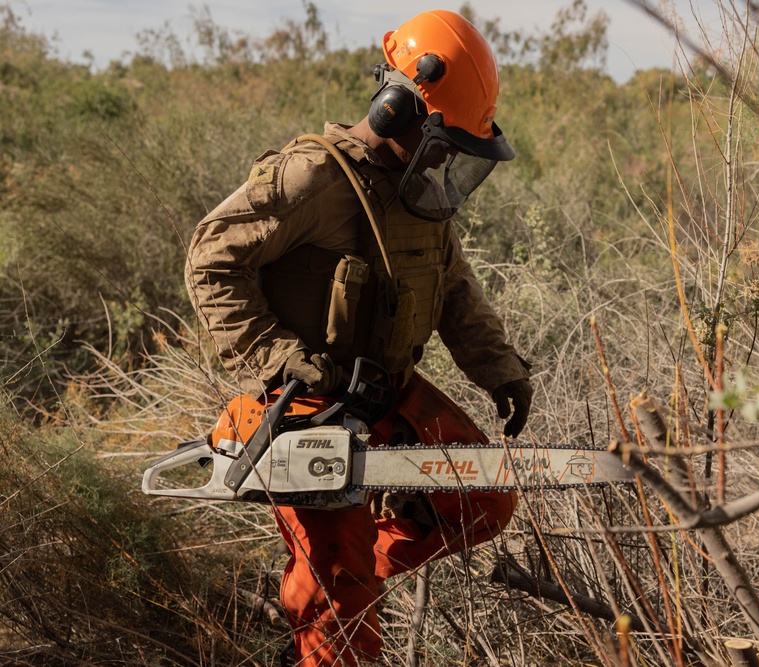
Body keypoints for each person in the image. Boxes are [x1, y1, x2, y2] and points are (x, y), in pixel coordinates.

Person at [184, 9, 533, 666]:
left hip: (385, 389)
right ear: (400, 109)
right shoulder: (313, 178)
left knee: (485, 496)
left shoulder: (417, 195)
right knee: (342, 608)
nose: (448, 161)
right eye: (444, 143)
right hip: (302, 399)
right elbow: (210, 258)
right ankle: (329, 589)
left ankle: (330, 575)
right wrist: (277, 358)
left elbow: (453, 286)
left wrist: (501, 368)